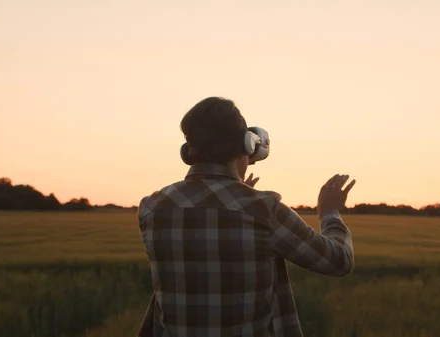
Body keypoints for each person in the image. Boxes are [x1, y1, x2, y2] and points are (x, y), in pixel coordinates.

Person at [137, 96, 356, 337]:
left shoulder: (152, 209)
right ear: (247, 145)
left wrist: (233, 199)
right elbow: (338, 261)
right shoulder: (263, 209)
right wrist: (330, 211)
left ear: (188, 152)